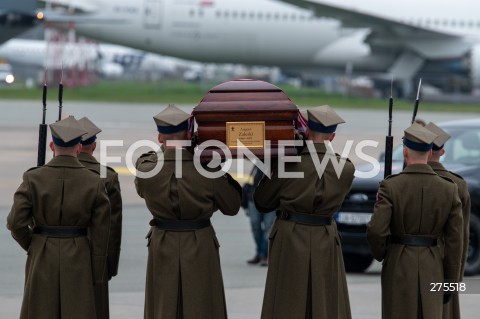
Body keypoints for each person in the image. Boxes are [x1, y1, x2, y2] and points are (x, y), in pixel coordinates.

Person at [134, 104, 242, 319]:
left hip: (162, 241)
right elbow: (232, 207)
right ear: (189, 134)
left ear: (159, 137)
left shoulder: (146, 169)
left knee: (163, 305)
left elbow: (144, 185)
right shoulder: (207, 170)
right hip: (199, 242)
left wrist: (168, 149)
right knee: (202, 305)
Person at [254, 105, 355, 319]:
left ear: (305, 131)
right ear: (333, 135)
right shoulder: (345, 168)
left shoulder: (287, 164)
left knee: (286, 301)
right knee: (325, 300)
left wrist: (273, 163)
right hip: (325, 238)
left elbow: (263, 202)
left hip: (290, 235)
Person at [6, 116, 111, 319]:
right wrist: (96, 273)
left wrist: (33, 244)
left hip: (42, 252)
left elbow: (15, 222)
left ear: (52, 145)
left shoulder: (33, 178)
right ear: (79, 148)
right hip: (78, 254)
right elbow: (101, 233)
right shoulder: (94, 182)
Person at [366, 123, 464, 319]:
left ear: (404, 152)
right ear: (430, 153)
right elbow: (455, 241)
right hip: (433, 264)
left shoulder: (390, 186)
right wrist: (451, 283)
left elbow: (376, 230)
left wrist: (386, 254)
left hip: (398, 263)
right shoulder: (449, 188)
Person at [77, 116, 123, 319]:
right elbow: (113, 227)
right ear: (94, 145)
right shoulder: (107, 176)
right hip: (95, 255)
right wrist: (109, 265)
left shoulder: (42, 174)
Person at [425, 122, 471, 319]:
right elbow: (461, 236)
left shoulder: (398, 181)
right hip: (444, 262)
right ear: (442, 152)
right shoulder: (457, 184)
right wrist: (454, 279)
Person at [245, 166, 276, 266]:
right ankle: (260, 253)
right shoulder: (258, 163)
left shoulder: (278, 162)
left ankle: (263, 255)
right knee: (255, 226)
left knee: (268, 227)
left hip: (271, 200)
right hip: (253, 198)